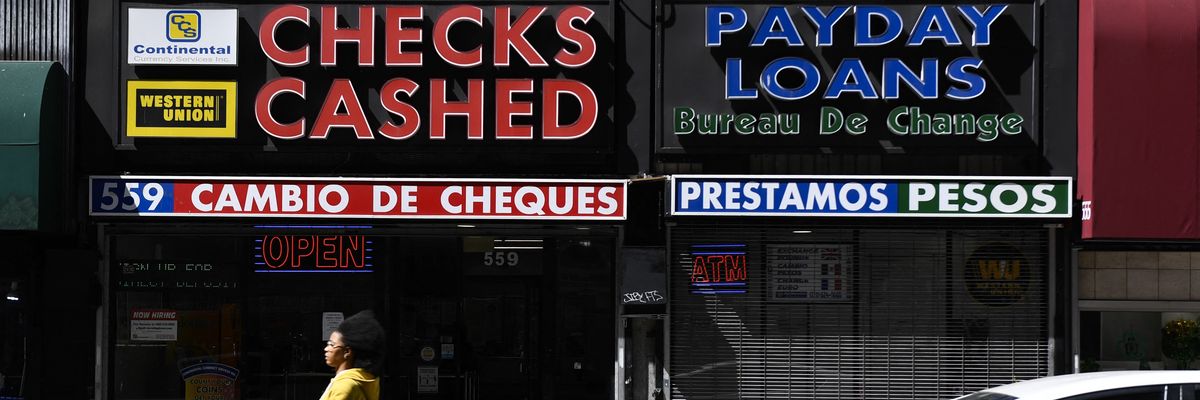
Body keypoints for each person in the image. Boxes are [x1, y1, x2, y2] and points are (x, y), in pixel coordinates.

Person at [320, 310, 386, 400]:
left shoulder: (344, 386)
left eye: (332, 344)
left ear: (347, 352)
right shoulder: (363, 380)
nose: (326, 349)